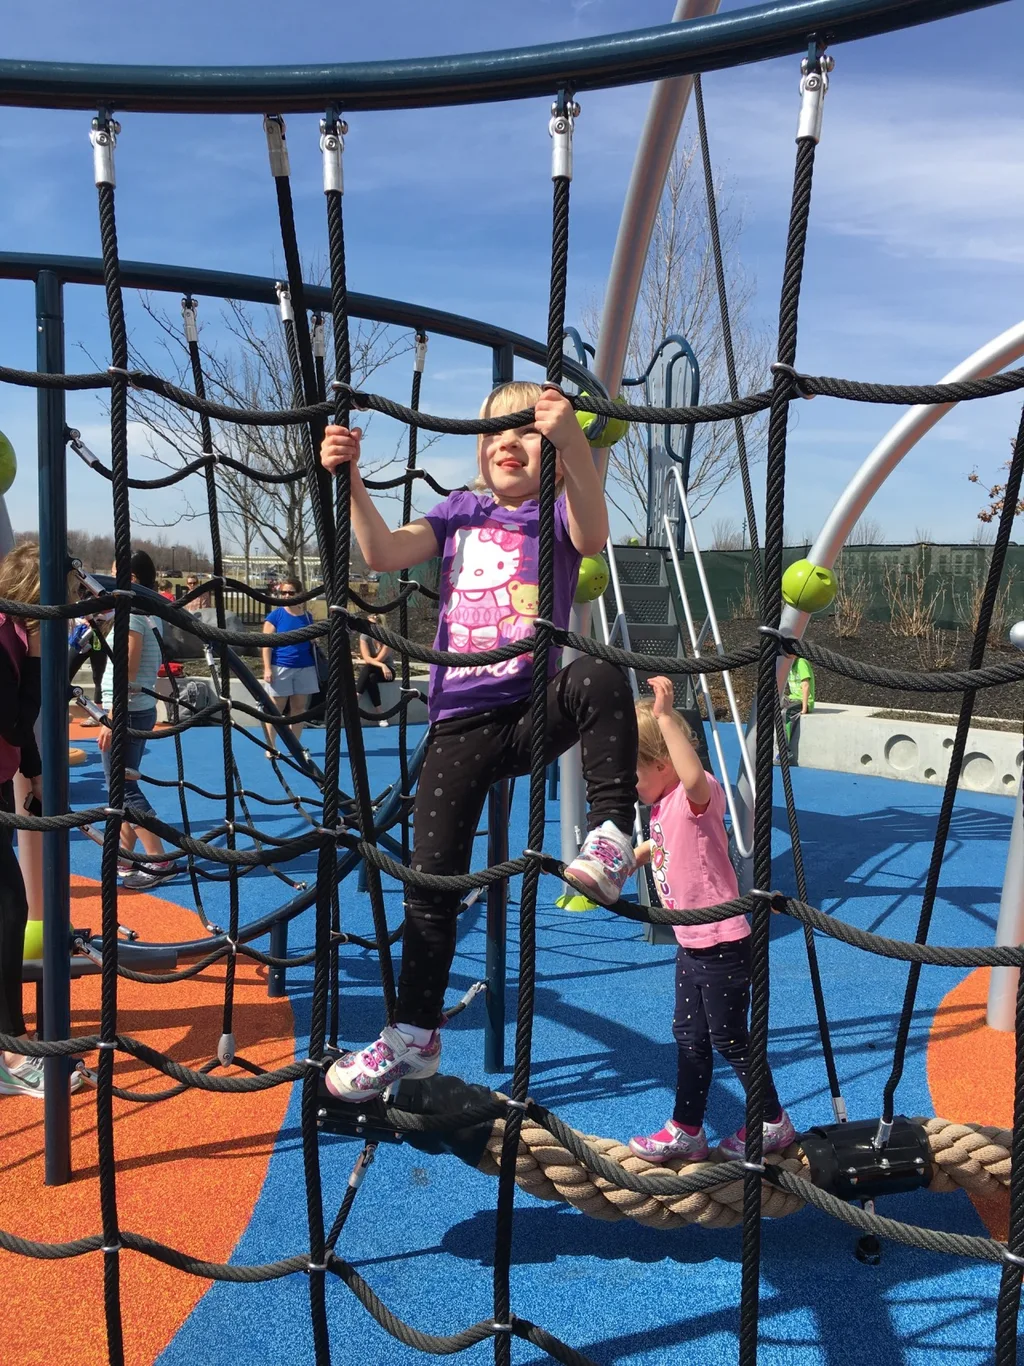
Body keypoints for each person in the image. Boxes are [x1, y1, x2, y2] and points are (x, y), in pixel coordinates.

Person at [319, 380, 639, 1100]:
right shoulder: (460, 511)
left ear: (548, 448)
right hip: (457, 725)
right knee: (430, 888)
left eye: (527, 431)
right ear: (479, 447)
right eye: (497, 430)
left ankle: (613, 834)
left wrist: (576, 450)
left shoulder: (556, 510)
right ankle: (415, 1035)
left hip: (529, 711)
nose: (509, 441)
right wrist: (351, 484)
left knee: (600, 673)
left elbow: (594, 534)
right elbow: (381, 554)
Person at [628, 675, 794, 1163]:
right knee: (690, 1039)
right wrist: (625, 859)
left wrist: (662, 717)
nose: (631, 784)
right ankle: (687, 1129)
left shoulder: (695, 799)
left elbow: (694, 777)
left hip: (721, 942)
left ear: (662, 765)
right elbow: (659, 847)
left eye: (636, 773)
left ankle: (773, 1122)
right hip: (691, 942)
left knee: (729, 1038)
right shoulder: (661, 807)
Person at [0, 543, 80, 1097]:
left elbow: (19, 735)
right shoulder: (5, 636)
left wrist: (34, 775)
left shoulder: (13, 632)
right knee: (8, 910)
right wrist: (37, 663)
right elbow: (12, 717)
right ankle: (11, 1049)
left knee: (8, 907)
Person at [97, 550, 176, 891]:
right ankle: (125, 854)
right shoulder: (147, 612)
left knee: (123, 787)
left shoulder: (133, 616)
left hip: (126, 709)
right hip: (137, 707)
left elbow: (126, 669)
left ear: (132, 578)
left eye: (116, 573)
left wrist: (111, 716)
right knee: (121, 786)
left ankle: (158, 859)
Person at [262, 576, 318, 755]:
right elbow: (266, 644)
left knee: (299, 709)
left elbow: (312, 641)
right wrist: (267, 668)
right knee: (276, 709)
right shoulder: (276, 615)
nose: (286, 596)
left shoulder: (307, 617)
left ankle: (294, 746)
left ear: (299, 594)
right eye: (283, 592)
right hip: (281, 666)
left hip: (305, 667)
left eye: (290, 593)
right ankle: (271, 746)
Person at [68, 601, 111, 725]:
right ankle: (62, 709)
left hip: (101, 637)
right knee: (66, 670)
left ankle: (98, 713)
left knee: (99, 675)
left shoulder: (108, 591)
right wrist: (83, 620)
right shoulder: (85, 595)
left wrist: (102, 618)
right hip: (82, 637)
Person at [356, 615, 393, 726]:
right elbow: (367, 658)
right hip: (375, 670)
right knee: (371, 677)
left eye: (373, 625)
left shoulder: (387, 638)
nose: (370, 628)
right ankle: (380, 714)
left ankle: (355, 697)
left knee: (369, 668)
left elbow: (377, 659)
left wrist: (383, 666)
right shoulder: (364, 637)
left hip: (388, 672)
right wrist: (382, 665)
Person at [783, 656, 815, 763]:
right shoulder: (788, 665)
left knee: (786, 712)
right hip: (793, 697)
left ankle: (785, 750)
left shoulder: (801, 662)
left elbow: (805, 686)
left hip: (803, 700)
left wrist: (805, 708)